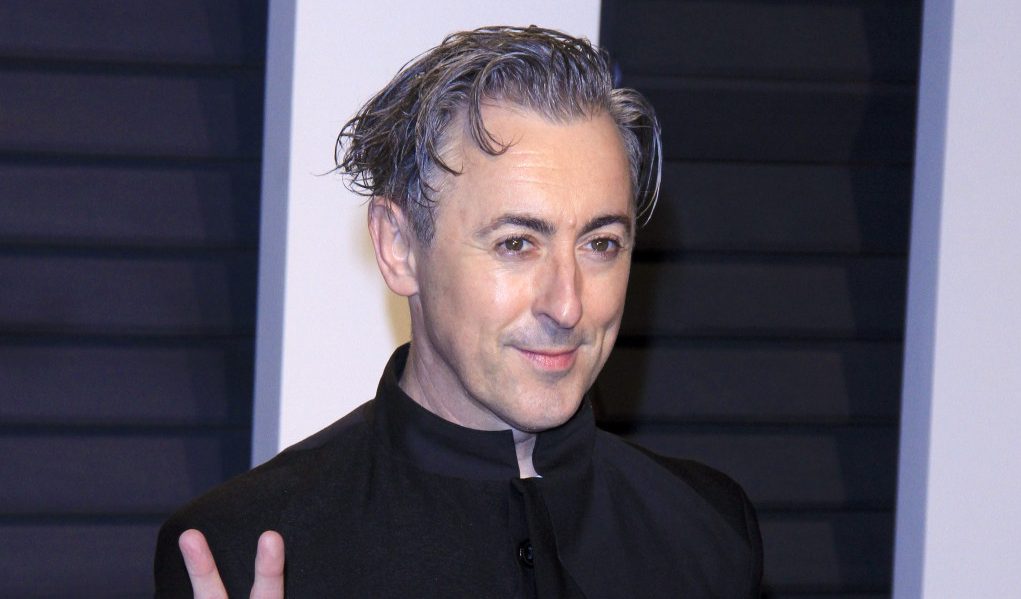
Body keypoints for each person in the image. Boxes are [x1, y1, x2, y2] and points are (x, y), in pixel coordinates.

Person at [154, 25, 762, 598]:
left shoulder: (709, 530)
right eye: (516, 244)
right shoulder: (242, 549)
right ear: (398, 247)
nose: (567, 305)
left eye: (600, 244)